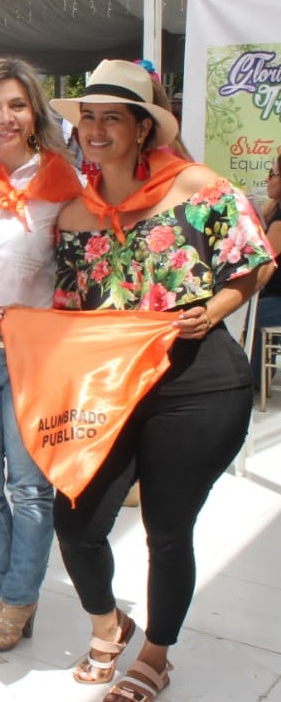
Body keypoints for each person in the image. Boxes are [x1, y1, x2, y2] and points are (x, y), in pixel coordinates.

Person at [48, 59, 273, 702]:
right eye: (87, 118)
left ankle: (156, 653)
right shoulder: (73, 216)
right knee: (77, 523)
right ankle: (109, 625)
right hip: (111, 388)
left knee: (166, 528)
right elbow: (70, 311)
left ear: (143, 128)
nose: (94, 129)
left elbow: (252, 265)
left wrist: (215, 310)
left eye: (110, 118)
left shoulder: (200, 188)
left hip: (198, 383)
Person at [0, 58, 82, 651]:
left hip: (33, 356)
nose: (5, 117)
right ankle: (12, 590)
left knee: (28, 488)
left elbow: (83, 270)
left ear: (35, 114)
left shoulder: (62, 179)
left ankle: (16, 597)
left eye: (17, 105)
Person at [253, 150, 281, 379]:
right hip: (274, 296)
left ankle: (254, 377)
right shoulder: (275, 209)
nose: (267, 180)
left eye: (273, 174)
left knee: (249, 314)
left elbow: (264, 259)